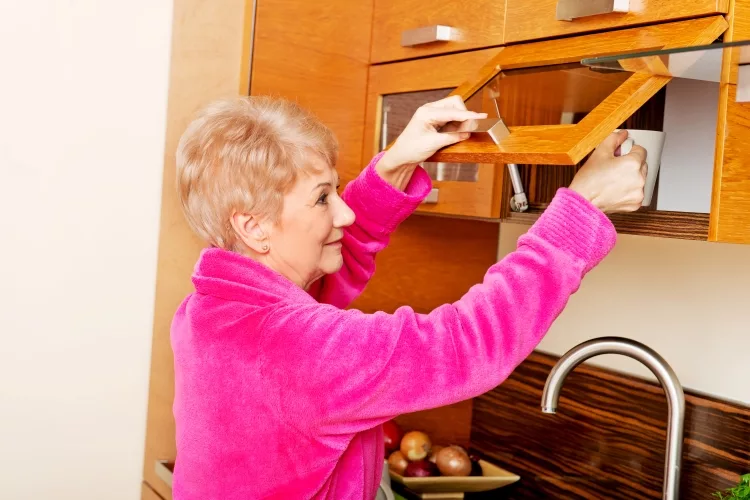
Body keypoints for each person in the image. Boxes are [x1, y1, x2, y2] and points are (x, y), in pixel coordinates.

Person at [170, 95, 647, 499]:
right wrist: (580, 215)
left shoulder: (209, 310)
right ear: (252, 226)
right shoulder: (293, 349)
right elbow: (467, 345)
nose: (344, 215)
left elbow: (325, 268)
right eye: (321, 198)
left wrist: (397, 164)